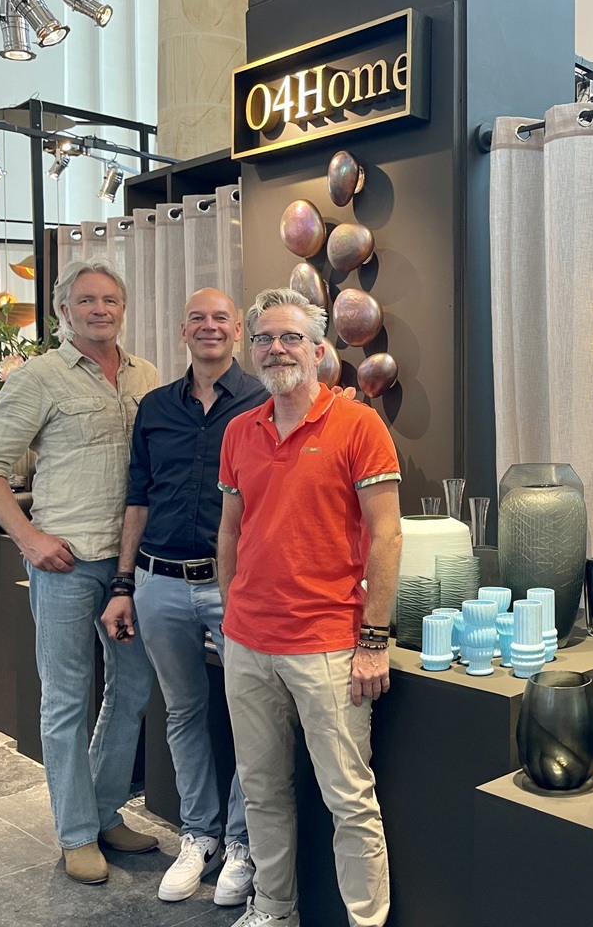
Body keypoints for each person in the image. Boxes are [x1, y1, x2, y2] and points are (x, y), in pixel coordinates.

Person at [0, 258, 160, 885]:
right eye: (87, 300)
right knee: (67, 699)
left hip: (130, 566)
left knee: (132, 690)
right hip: (66, 565)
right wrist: (29, 539)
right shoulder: (39, 378)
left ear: (123, 308)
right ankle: (76, 833)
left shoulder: (146, 376)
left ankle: (103, 813)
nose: (100, 309)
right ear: (63, 311)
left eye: (110, 300)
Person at [217, 288, 402, 927]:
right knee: (261, 791)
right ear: (252, 350)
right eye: (265, 338)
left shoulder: (358, 425)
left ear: (319, 349)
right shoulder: (240, 431)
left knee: (349, 800)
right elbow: (230, 531)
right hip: (248, 643)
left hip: (327, 644)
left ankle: (365, 921)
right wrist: (231, 613)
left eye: (291, 337)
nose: (277, 348)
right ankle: (273, 910)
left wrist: (373, 641)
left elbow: (387, 535)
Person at [99, 289, 264, 905]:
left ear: (237, 330)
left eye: (221, 317)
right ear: (183, 330)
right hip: (159, 583)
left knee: (250, 713)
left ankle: (242, 843)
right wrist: (123, 584)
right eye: (198, 318)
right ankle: (200, 835)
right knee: (183, 712)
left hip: (234, 586)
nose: (209, 326)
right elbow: (137, 498)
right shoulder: (156, 407)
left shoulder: (261, 401)